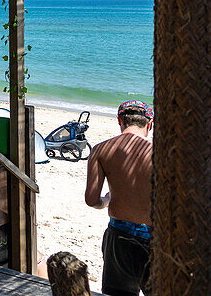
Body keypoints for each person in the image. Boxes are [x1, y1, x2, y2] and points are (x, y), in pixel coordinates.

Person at [85, 100, 154, 296]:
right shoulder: (159, 152)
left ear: (119, 121)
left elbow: (91, 200)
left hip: (119, 236)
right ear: (149, 124)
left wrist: (105, 201)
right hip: (153, 238)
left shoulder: (101, 149)